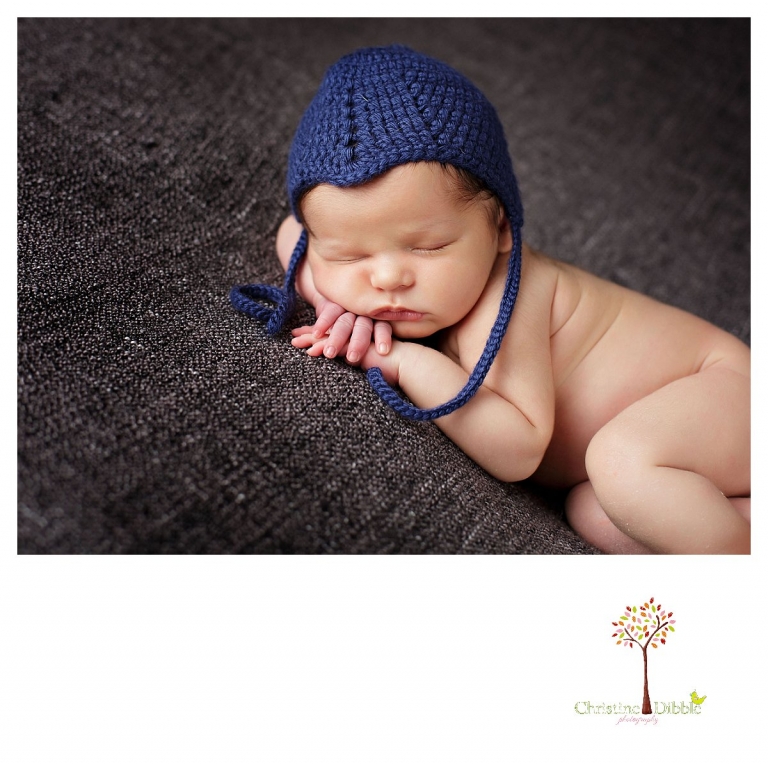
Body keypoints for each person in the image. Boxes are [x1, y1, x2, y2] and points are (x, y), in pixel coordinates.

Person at [231, 45, 750, 554]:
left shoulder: (512, 293)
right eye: (347, 256)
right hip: (693, 464)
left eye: (429, 246)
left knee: (622, 462)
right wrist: (335, 306)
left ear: (501, 227)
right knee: (600, 514)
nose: (387, 278)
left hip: (724, 387)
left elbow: (518, 449)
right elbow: (291, 233)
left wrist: (397, 358)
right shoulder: (356, 263)